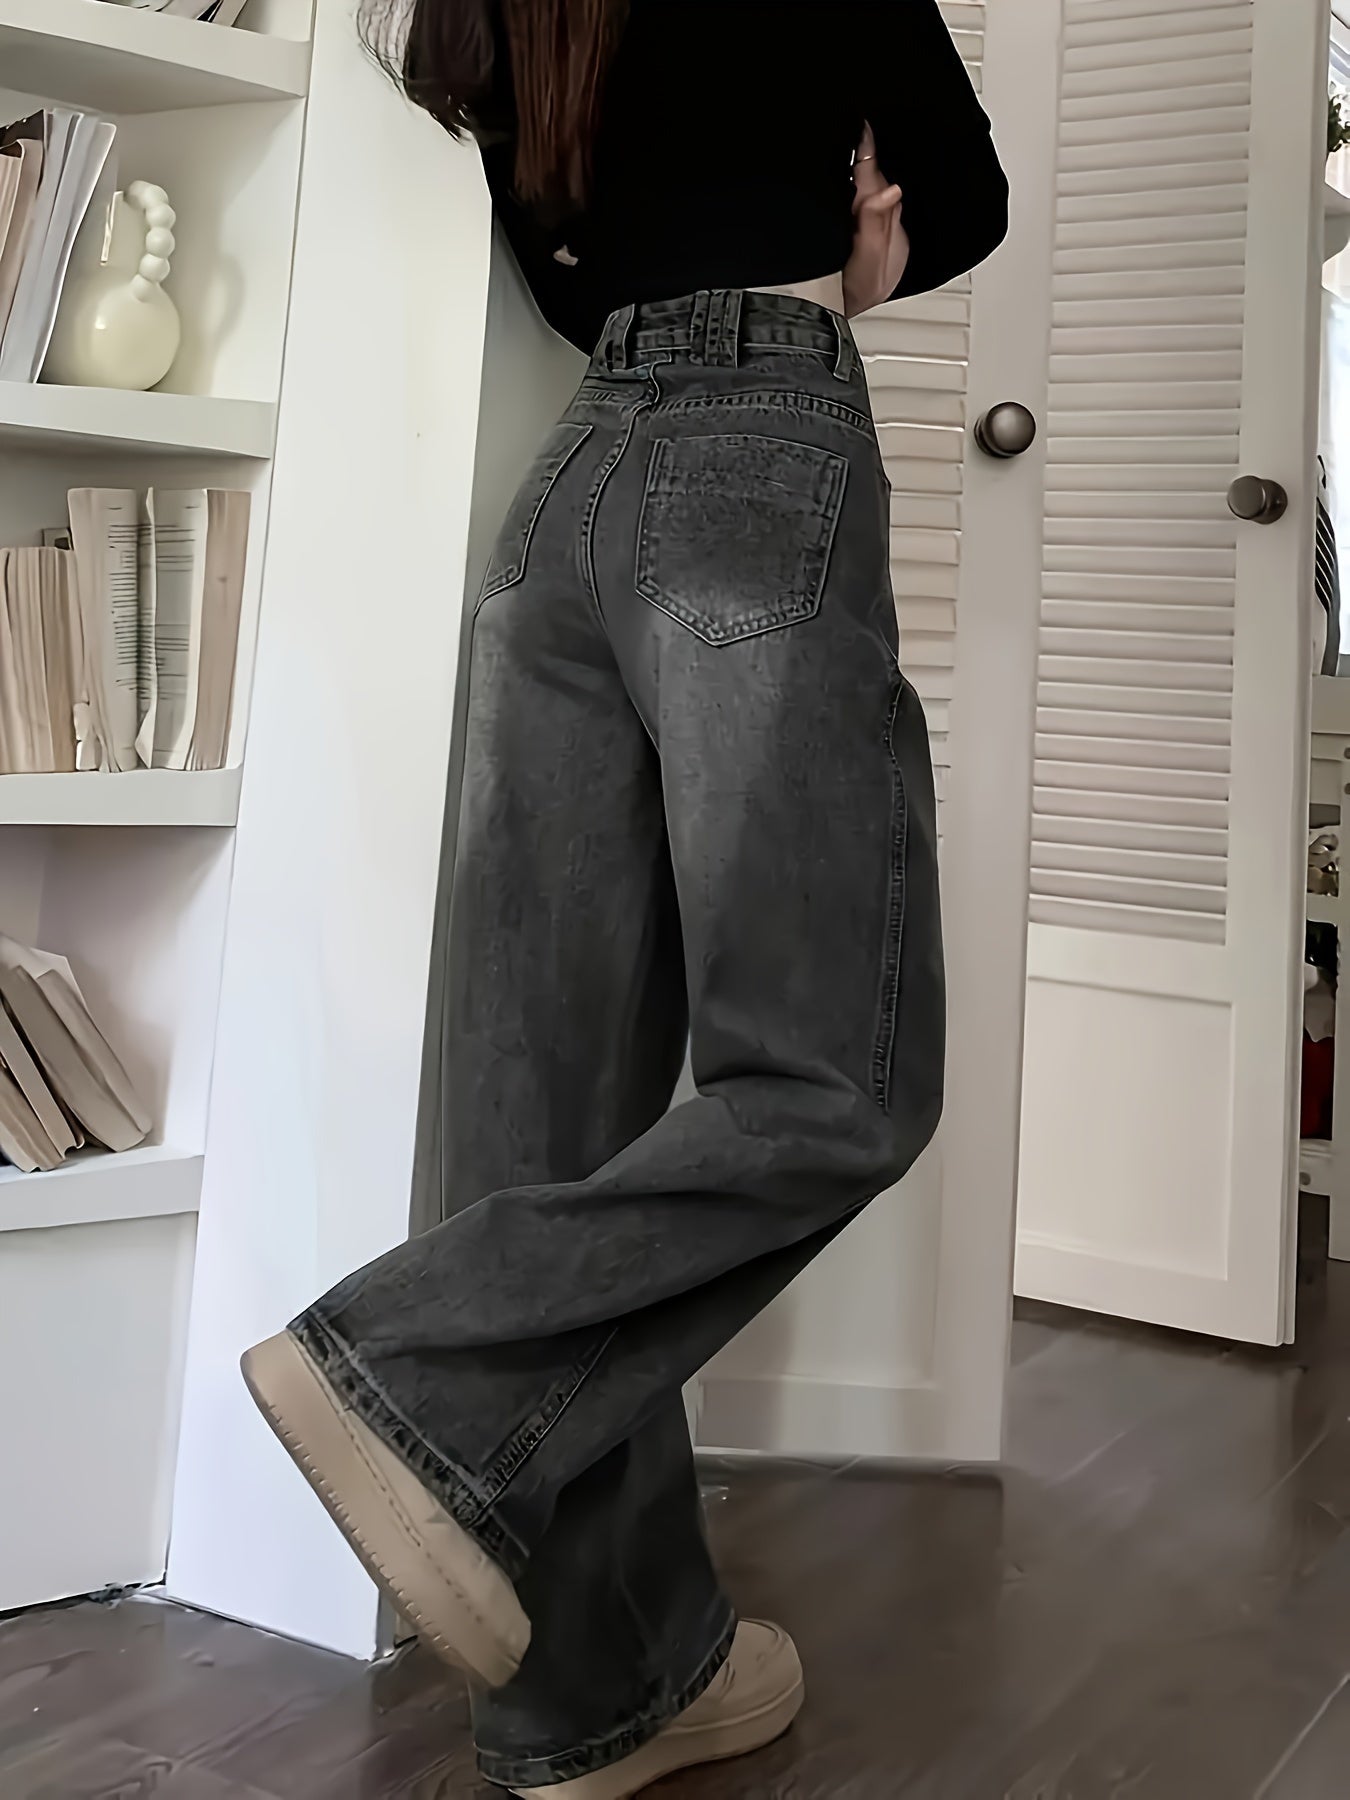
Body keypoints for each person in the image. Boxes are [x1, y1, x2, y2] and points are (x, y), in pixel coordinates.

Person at [241, 4, 1008, 1795]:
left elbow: (568, 272)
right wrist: (865, 249)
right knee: (830, 1075)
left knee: (549, 1108)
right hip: (758, 454)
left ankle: (606, 1684)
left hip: (571, 493)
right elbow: (957, 197)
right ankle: (407, 1370)